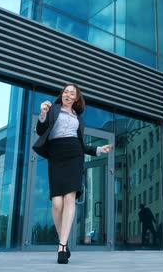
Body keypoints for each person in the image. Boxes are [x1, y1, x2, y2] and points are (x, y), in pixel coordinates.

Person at [32, 84, 112, 264]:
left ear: (76, 98)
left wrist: (99, 149)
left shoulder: (79, 119)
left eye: (72, 93)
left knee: (69, 199)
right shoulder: (52, 109)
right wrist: (43, 114)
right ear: (62, 94)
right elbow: (40, 131)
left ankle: (61, 246)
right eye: (66, 92)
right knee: (57, 203)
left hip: (74, 154)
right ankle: (64, 241)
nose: (68, 95)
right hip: (56, 153)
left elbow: (82, 144)